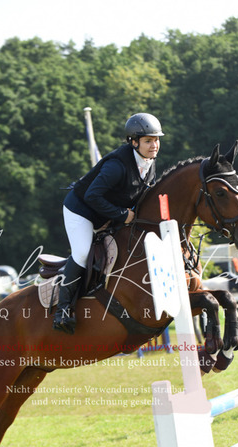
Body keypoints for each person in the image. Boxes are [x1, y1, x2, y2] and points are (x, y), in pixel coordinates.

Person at [53, 112, 164, 334]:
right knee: (82, 253)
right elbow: (92, 196)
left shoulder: (149, 163)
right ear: (134, 142)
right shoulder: (116, 166)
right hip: (81, 210)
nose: (154, 145)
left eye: (156, 140)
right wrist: (122, 215)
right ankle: (62, 310)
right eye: (148, 141)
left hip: (106, 213)